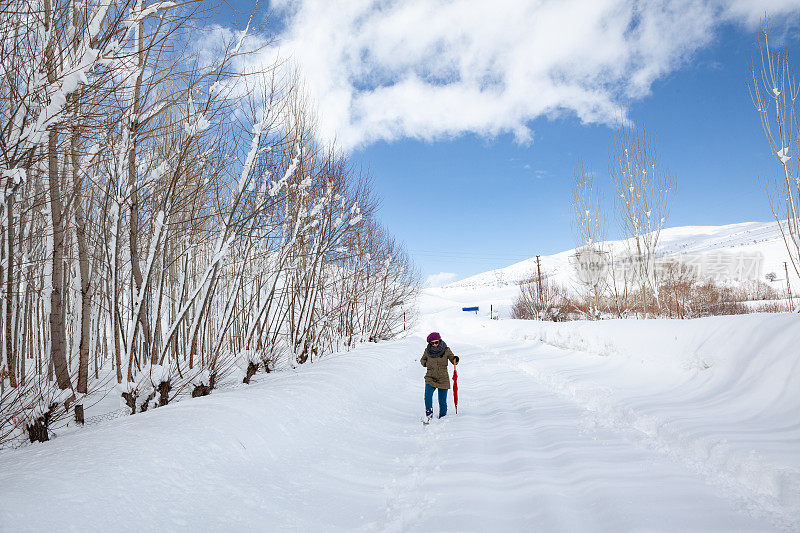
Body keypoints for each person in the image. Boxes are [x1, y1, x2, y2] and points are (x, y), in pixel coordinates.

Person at [420, 332, 459, 421]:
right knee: (427, 396)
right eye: (432, 343)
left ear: (439, 341)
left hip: (443, 378)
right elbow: (422, 360)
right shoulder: (427, 350)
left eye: (436, 342)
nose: (434, 345)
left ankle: (443, 417)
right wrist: (426, 363)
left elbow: (453, 359)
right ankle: (429, 415)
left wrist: (455, 360)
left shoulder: (446, 350)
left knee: (442, 401)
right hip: (430, 377)